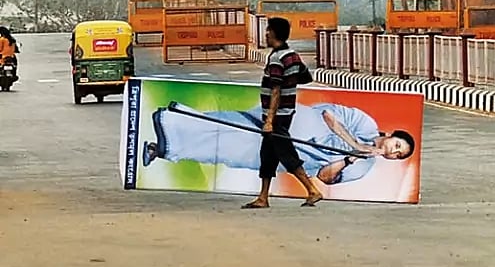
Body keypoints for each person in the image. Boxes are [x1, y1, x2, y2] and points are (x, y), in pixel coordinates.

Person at [141, 100, 415, 187]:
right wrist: (357, 144)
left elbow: (324, 177)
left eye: (398, 155)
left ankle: (163, 150)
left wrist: (350, 158)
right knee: (226, 123)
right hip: (287, 123)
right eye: (397, 145)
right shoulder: (364, 123)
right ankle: (173, 119)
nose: (393, 152)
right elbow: (329, 116)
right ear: (391, 136)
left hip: (286, 155)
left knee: (224, 152)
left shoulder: (362, 169)